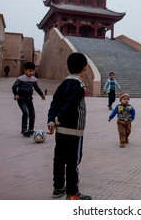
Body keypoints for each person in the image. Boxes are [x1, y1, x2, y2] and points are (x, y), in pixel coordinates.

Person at [46, 52, 92, 200]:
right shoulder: (80, 86)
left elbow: (55, 102)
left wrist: (51, 120)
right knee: (73, 162)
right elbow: (70, 105)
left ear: (68, 67)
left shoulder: (63, 83)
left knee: (59, 160)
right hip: (74, 132)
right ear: (85, 68)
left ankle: (58, 188)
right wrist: (58, 118)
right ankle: (73, 193)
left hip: (60, 131)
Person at [12, 62, 45, 137]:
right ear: (25, 70)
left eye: (33, 71)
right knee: (25, 112)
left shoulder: (34, 79)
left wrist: (41, 94)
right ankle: (24, 130)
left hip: (29, 100)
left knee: (32, 114)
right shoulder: (21, 78)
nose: (31, 72)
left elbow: (36, 88)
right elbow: (14, 87)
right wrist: (16, 94)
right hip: (21, 99)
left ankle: (30, 129)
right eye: (29, 71)